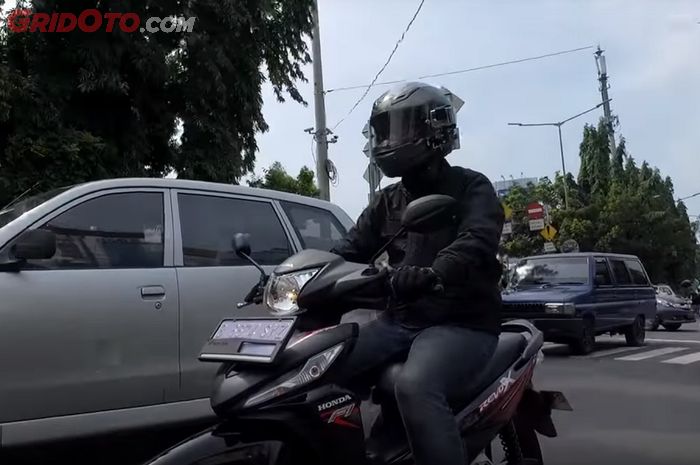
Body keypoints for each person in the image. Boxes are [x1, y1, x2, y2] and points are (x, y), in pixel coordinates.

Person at [330, 82, 505, 465]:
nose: (391, 139)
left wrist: (433, 272)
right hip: (401, 320)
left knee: (415, 385)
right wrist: (301, 276)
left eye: (403, 128)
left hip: (462, 322)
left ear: (435, 129)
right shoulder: (386, 200)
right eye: (385, 129)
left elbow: (476, 239)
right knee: (321, 369)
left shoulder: (470, 186)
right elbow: (348, 249)